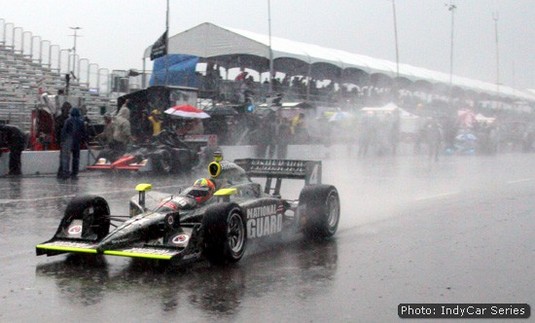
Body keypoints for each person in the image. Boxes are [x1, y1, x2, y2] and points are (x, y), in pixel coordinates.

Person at [59, 107, 87, 179]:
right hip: (77, 142)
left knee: (66, 158)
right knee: (76, 158)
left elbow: (64, 132)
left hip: (68, 142)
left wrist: (62, 141)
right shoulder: (81, 122)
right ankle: (74, 172)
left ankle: (66, 172)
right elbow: (84, 133)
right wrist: (83, 140)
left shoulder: (68, 121)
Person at [55, 102, 72, 177]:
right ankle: (64, 172)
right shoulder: (68, 120)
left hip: (62, 140)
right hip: (66, 140)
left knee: (63, 156)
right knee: (66, 157)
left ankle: (61, 171)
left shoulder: (59, 119)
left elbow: (57, 130)